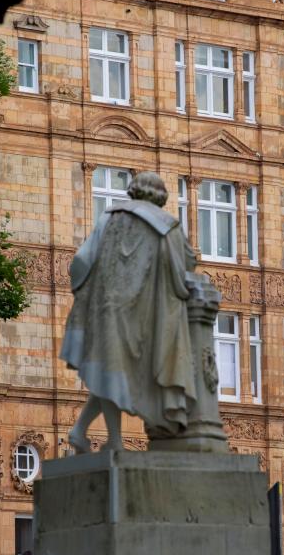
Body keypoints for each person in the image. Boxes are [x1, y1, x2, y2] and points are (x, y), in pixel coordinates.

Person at [60, 171, 196, 453]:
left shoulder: (109, 217)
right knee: (116, 374)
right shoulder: (167, 225)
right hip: (144, 316)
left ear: (134, 190)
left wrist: (84, 291)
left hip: (105, 308)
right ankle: (111, 439)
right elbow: (186, 265)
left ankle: (89, 433)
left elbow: (82, 260)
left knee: (107, 372)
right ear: (161, 195)